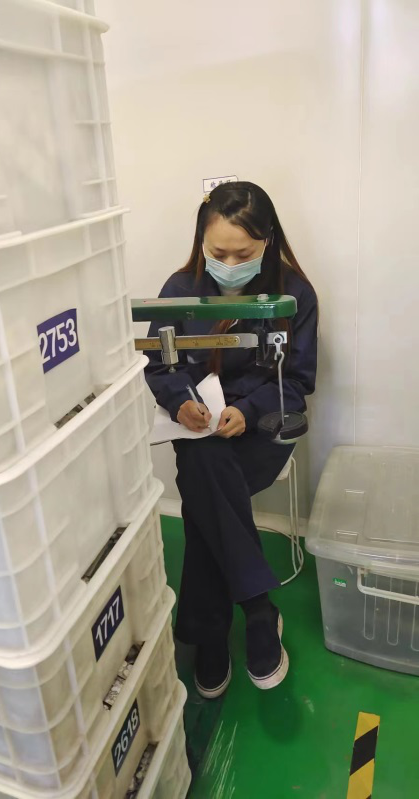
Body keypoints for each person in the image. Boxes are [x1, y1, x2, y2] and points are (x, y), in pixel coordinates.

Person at [144, 181, 318, 697]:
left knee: (204, 487)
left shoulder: (293, 295)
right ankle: (257, 610)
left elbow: (298, 380)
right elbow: (158, 363)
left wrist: (249, 408)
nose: (229, 264)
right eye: (218, 253)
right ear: (201, 241)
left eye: (243, 254)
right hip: (199, 427)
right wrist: (180, 400)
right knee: (206, 465)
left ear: (268, 240)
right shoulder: (179, 290)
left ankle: (209, 632)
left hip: (262, 431)